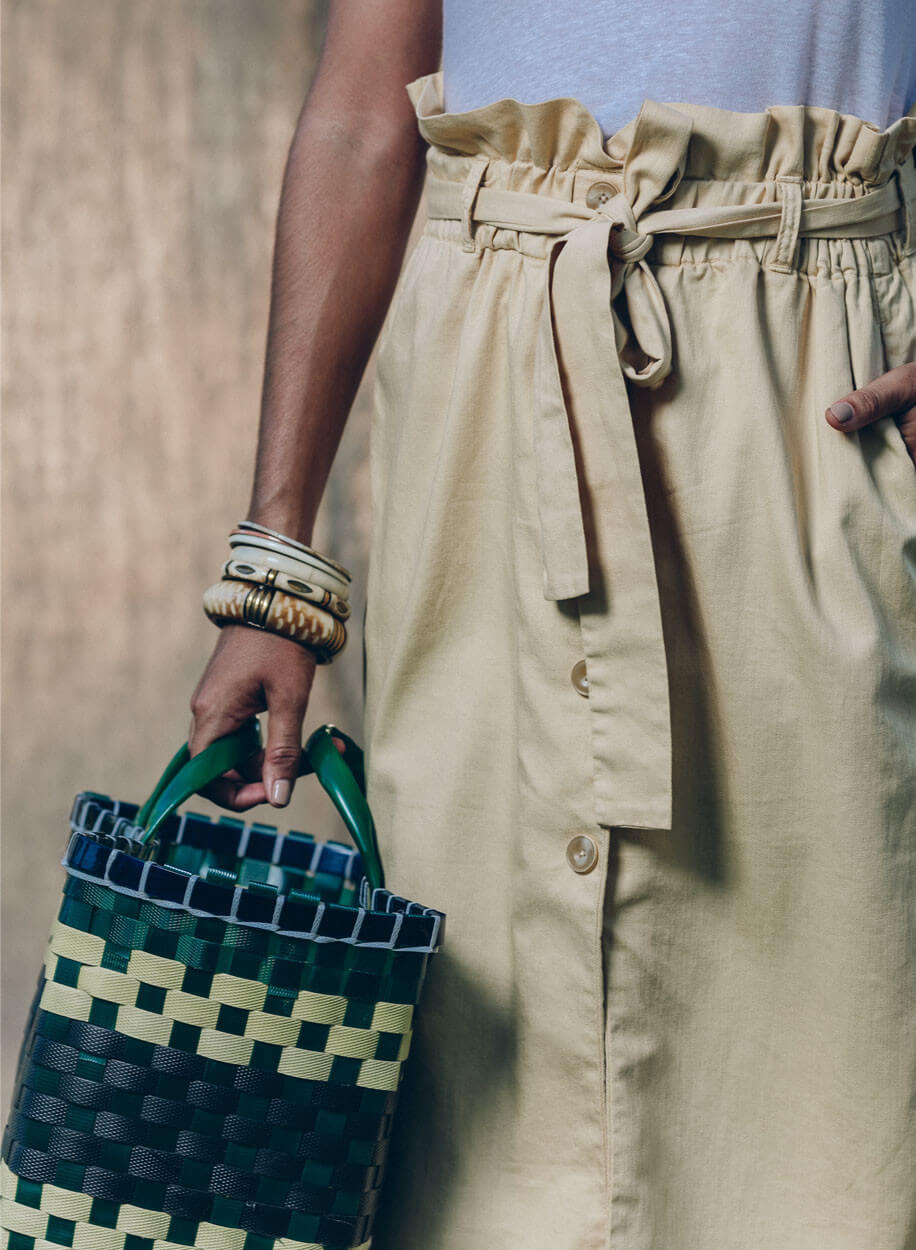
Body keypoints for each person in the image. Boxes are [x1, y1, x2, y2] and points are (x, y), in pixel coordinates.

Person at [187, 2, 916, 1247]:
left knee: (833, 1057)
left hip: (818, 375)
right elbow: (363, 114)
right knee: (488, 1082)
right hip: (489, 388)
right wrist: (278, 561)